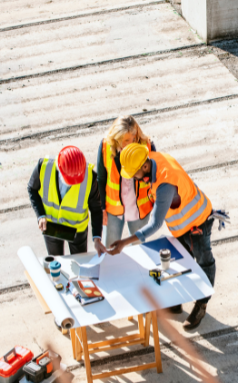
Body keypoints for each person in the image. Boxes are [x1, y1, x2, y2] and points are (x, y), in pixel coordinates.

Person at [108, 143, 215, 330]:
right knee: (181, 262)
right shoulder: (155, 158)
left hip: (198, 221)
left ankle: (201, 304)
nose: (133, 177)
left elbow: (155, 224)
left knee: (204, 262)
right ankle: (176, 301)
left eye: (134, 173)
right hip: (182, 225)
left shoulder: (165, 184)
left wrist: (125, 242)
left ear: (144, 166)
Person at [27, 146, 106, 256]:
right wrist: (40, 215)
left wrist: (97, 238)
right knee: (57, 263)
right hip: (52, 226)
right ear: (59, 168)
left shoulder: (90, 177)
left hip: (77, 230)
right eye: (70, 179)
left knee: (80, 264)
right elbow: (32, 189)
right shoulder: (43, 167)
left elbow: (96, 209)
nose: (74, 183)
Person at [97, 116, 155, 247]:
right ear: (116, 138)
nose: (130, 143)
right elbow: (101, 178)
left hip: (139, 208)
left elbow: (155, 177)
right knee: (110, 248)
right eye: (126, 140)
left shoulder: (147, 146)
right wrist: (102, 208)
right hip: (113, 209)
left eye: (133, 138)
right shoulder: (105, 146)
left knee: (139, 249)